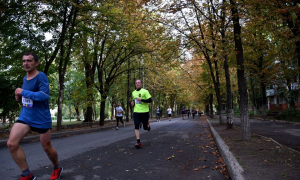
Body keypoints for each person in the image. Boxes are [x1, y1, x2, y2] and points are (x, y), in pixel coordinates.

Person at [7, 52, 63, 180]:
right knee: (11, 143)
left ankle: (56, 167)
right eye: (24, 61)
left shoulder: (41, 76)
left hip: (41, 117)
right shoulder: (24, 79)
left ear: (36, 63)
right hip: (26, 115)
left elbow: (44, 95)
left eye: (29, 61)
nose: (25, 63)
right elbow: (27, 98)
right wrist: (19, 97)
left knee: (47, 148)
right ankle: (27, 174)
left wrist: (24, 92)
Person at [131, 79, 152, 149]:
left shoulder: (145, 91)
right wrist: (133, 103)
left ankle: (147, 125)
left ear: (141, 84)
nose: (137, 84)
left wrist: (142, 100)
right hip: (136, 112)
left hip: (145, 112)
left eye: (138, 83)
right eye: (136, 83)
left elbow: (150, 100)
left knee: (145, 128)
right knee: (136, 126)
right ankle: (138, 142)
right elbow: (134, 101)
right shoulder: (133, 93)